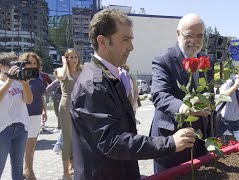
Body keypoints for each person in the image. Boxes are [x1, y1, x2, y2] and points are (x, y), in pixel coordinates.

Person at [70, 9, 196, 180]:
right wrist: (169, 143)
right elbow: (113, 142)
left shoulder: (107, 77)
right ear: (102, 41)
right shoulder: (93, 85)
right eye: (125, 40)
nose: (131, 47)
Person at [150, 13, 214, 173]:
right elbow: (159, 95)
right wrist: (186, 108)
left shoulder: (206, 61)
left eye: (200, 36)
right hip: (171, 141)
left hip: (200, 142)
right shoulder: (163, 60)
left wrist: (212, 137)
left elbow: (209, 99)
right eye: (190, 35)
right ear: (178, 34)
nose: (195, 41)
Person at [0, 52, 33, 180]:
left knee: (18, 167)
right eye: (12, 65)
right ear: (1, 67)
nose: (17, 68)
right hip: (2, 129)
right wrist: (9, 80)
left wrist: (25, 84)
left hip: (20, 128)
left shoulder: (20, 82)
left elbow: (29, 100)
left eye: (19, 65)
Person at [55, 48, 82, 180]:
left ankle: (75, 167)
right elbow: (62, 77)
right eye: (70, 57)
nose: (73, 59)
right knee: (68, 139)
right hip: (66, 106)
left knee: (79, 138)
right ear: (66, 58)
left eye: (75, 56)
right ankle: (66, 172)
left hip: (81, 106)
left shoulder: (82, 71)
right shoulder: (61, 70)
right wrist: (64, 63)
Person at [20, 52, 47, 180]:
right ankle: (29, 172)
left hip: (37, 114)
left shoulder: (38, 77)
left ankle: (27, 170)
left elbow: (41, 95)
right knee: (28, 146)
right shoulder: (20, 77)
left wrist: (45, 111)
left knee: (32, 146)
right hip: (25, 115)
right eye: (29, 62)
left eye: (35, 63)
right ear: (23, 63)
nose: (32, 65)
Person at [39, 62, 53, 132]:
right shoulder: (31, 75)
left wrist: (47, 90)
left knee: (43, 109)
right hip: (35, 95)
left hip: (43, 94)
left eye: (40, 66)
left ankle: (43, 125)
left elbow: (51, 83)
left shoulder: (44, 75)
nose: (39, 68)